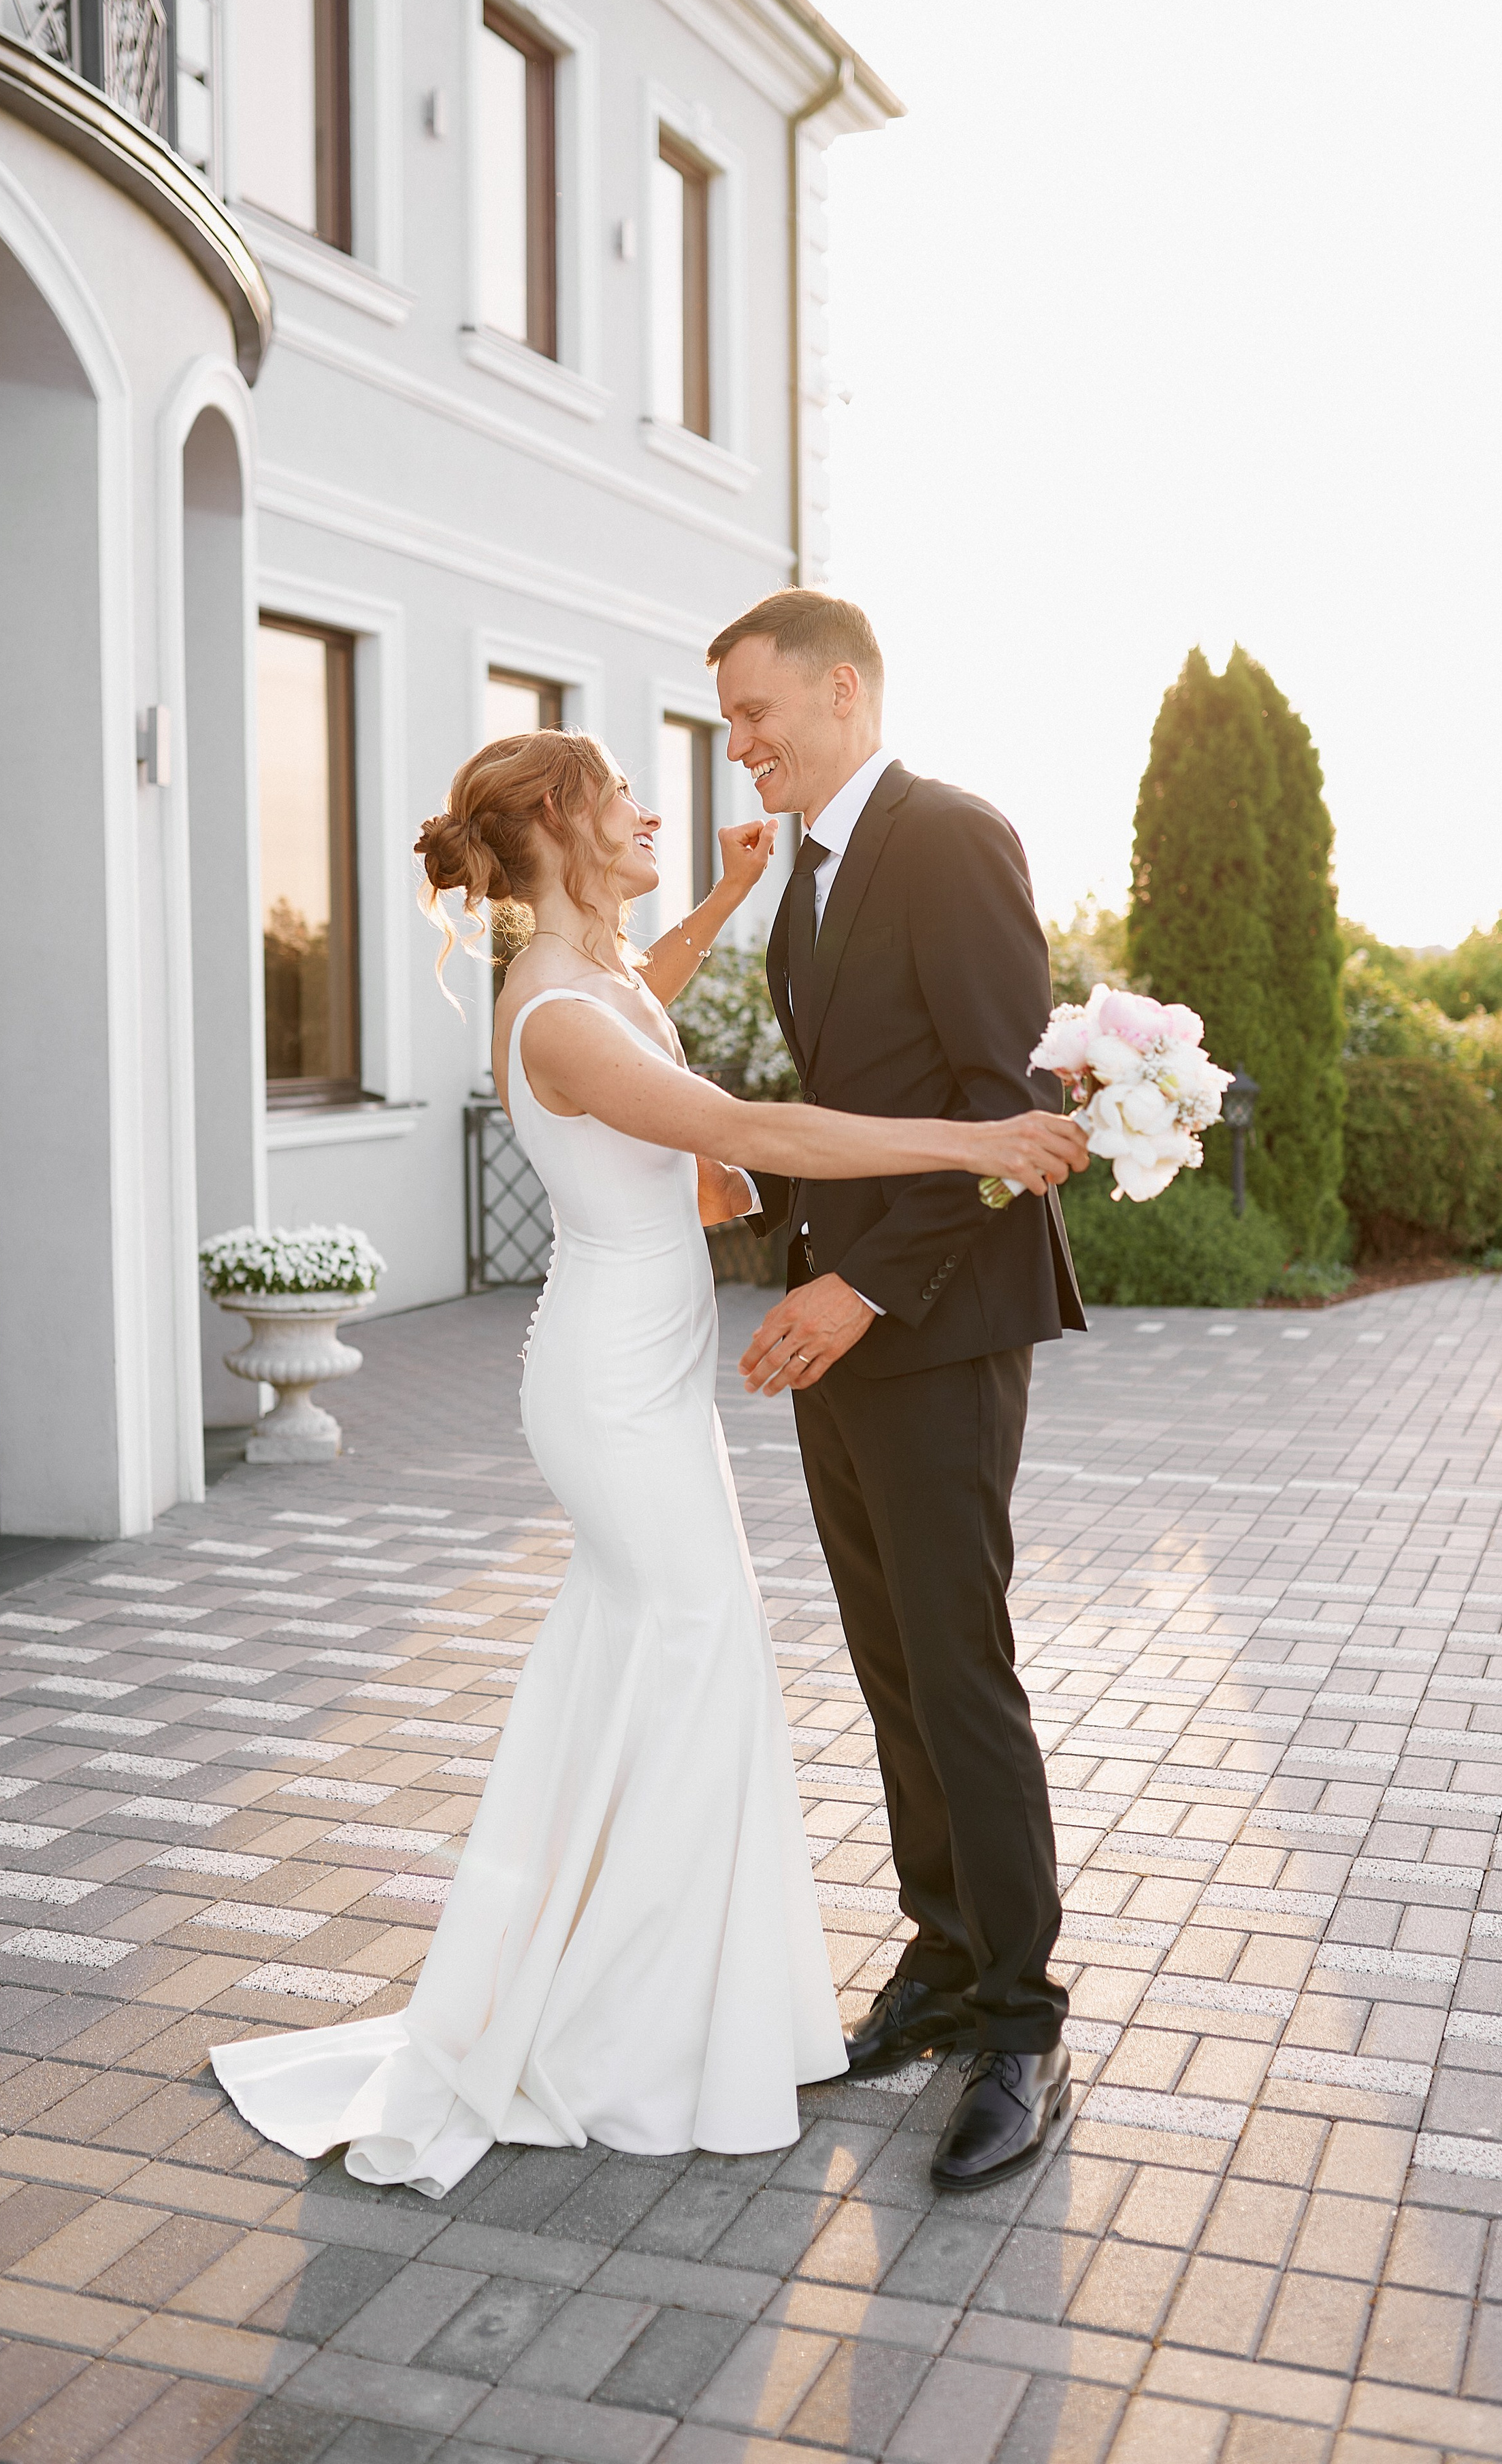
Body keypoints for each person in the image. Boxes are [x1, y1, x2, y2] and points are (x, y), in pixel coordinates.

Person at [209, 727, 1086, 2198]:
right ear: (557, 825)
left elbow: (644, 995)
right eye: (619, 796)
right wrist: (976, 1136)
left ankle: (652, 1992)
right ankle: (625, 2025)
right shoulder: (550, 1013)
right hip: (610, 1391)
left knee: (656, 1669)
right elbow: (743, 1123)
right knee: (692, 1659)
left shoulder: (587, 981)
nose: (652, 809)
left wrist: (720, 907)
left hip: (649, 1384)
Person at [713, 587, 1089, 2194]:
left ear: (843, 690)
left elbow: (1009, 1108)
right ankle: (938, 1967)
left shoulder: (948, 836)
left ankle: (1018, 2020)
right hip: (835, 1332)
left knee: (959, 1666)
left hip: (928, 1325)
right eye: (726, 723)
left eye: (756, 715)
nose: (739, 747)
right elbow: (847, 1103)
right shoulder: (800, 885)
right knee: (886, 1669)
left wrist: (860, 1283)